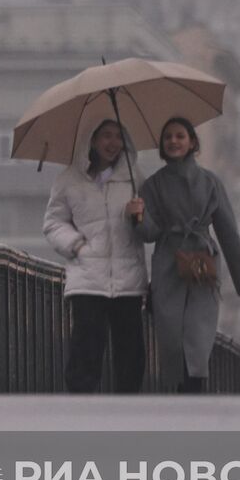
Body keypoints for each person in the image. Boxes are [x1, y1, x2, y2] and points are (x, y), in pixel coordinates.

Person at [130, 116, 240, 393]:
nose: (173, 141)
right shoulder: (152, 186)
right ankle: (176, 392)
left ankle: (195, 388)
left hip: (202, 267)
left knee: (198, 335)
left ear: (192, 142)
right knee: (172, 337)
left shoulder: (211, 182)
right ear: (162, 145)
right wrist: (138, 217)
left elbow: (228, 231)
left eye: (180, 136)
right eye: (168, 137)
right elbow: (149, 233)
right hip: (167, 266)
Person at [43, 117, 148, 393]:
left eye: (117, 136)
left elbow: (150, 225)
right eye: (105, 136)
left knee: (131, 352)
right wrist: (76, 245)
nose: (112, 143)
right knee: (86, 348)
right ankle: (83, 408)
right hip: (87, 277)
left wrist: (139, 215)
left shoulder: (135, 177)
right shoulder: (69, 179)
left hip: (128, 280)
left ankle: (127, 410)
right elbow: (53, 223)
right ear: (92, 140)